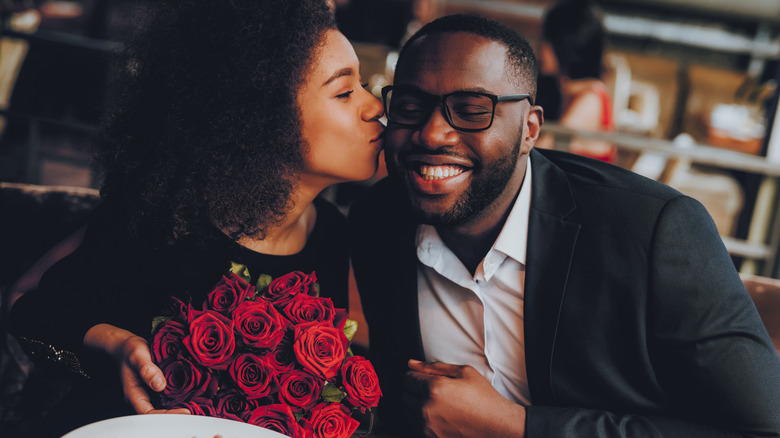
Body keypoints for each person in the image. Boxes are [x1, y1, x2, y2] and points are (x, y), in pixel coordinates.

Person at [348, 14, 780, 437]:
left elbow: (763, 428)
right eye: (409, 106)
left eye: (472, 110)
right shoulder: (378, 221)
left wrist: (516, 427)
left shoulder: (655, 233)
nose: (432, 133)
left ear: (530, 129)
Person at [7, 0, 383, 436]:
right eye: (344, 92)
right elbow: (30, 313)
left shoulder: (334, 234)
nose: (374, 107)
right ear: (262, 116)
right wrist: (114, 343)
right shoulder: (168, 220)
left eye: (365, 85)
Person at [535, 1, 617, 163]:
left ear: (564, 45)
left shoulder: (590, 99)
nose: (541, 47)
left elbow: (540, 150)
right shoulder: (566, 91)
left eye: (547, 40)